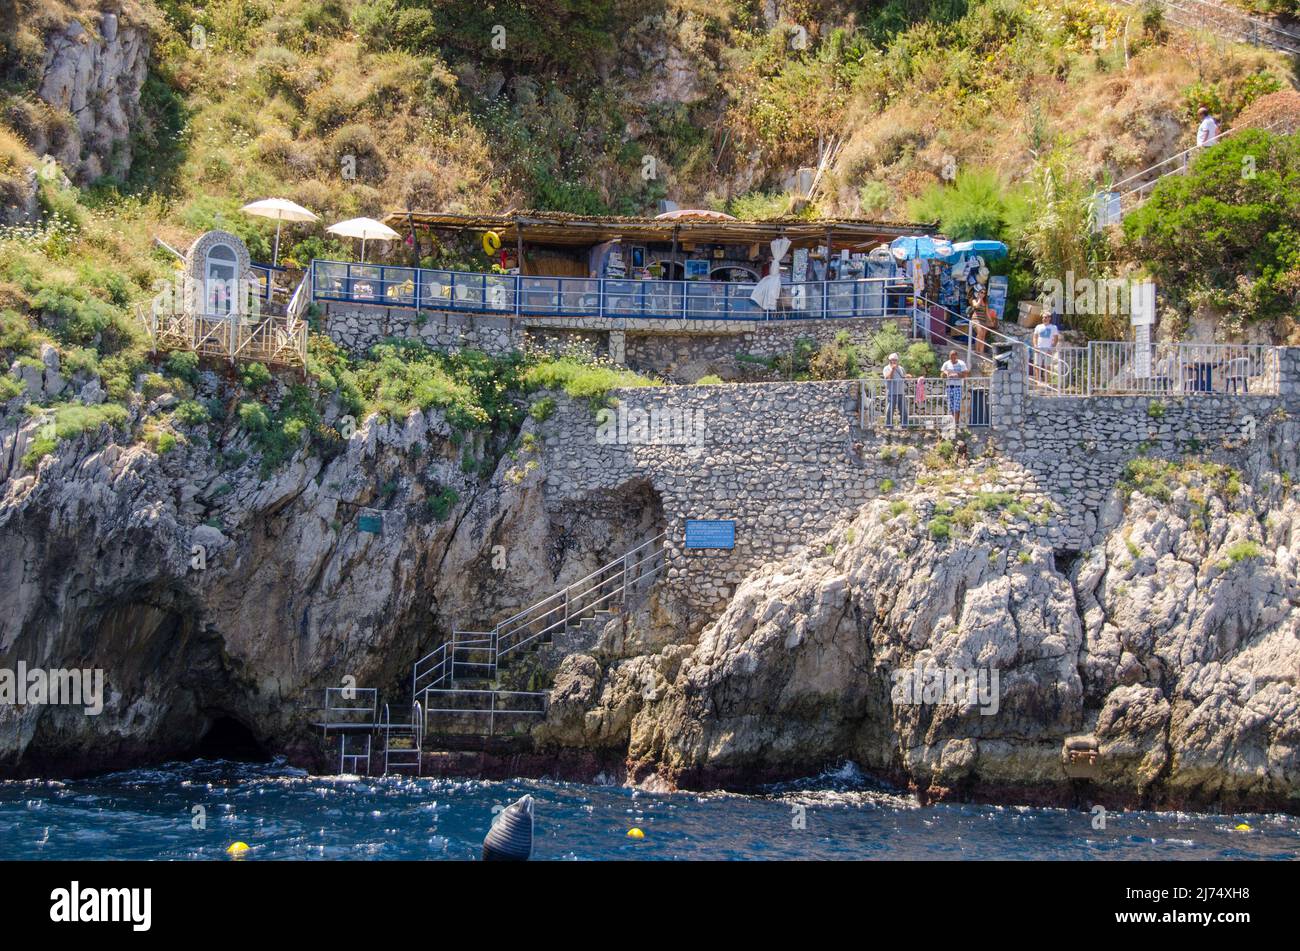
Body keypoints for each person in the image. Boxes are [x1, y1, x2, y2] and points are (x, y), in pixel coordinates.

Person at [940, 349, 968, 426]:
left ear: (957, 357)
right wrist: (946, 373)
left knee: (957, 405)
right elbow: (942, 374)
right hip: (949, 386)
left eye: (954, 357)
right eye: (951, 357)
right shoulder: (946, 363)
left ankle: (956, 423)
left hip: (958, 386)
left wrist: (957, 374)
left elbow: (965, 374)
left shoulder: (961, 363)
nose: (952, 359)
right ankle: (953, 422)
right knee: (951, 405)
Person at [1032, 312, 1061, 383]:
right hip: (1039, 348)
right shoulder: (1038, 326)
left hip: (1048, 349)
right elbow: (1035, 337)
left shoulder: (1053, 327)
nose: (1044, 319)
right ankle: (1038, 382)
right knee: (1037, 365)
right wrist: (1035, 346)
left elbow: (1056, 339)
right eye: (1043, 317)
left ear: (1049, 318)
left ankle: (1047, 382)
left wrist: (1051, 348)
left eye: (1045, 317)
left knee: (1047, 366)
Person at [883, 352, 909, 428]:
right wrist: (892, 370)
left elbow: (903, 377)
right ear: (889, 360)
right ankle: (889, 426)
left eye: (895, 360)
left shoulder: (901, 368)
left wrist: (907, 376)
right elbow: (888, 378)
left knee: (904, 411)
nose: (894, 361)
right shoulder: (886, 368)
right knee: (889, 411)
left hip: (901, 392)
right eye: (892, 360)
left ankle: (904, 426)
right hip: (891, 392)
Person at [969, 289, 997, 357]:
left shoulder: (985, 303)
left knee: (983, 336)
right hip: (976, 319)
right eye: (981, 292)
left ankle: (981, 352)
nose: (983, 294)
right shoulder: (974, 300)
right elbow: (976, 306)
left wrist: (991, 321)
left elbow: (987, 313)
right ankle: (977, 350)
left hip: (983, 321)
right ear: (978, 293)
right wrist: (980, 299)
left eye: (984, 293)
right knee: (980, 333)